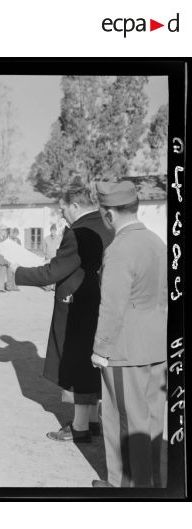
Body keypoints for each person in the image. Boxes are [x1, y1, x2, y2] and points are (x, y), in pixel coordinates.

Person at [12, 177, 114, 443]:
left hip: (78, 305)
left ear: (76, 205)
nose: (62, 214)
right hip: (99, 301)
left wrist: (18, 272)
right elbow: (79, 266)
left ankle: (79, 427)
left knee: (78, 363)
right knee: (92, 363)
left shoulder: (78, 231)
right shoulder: (106, 225)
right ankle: (92, 421)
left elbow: (55, 269)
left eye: (63, 209)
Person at [91, 180, 167, 488]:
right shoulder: (156, 241)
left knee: (124, 420)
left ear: (109, 214)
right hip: (156, 344)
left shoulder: (120, 248)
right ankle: (150, 483)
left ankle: (126, 488)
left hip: (126, 348)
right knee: (150, 421)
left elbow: (112, 307)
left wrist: (100, 349)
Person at [42, 224, 62, 291]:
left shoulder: (58, 238)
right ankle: (48, 287)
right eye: (52, 230)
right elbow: (44, 249)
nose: (53, 232)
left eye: (54, 230)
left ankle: (54, 287)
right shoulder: (46, 238)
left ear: (56, 231)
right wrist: (46, 255)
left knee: (55, 273)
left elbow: (62, 244)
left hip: (55, 258)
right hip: (48, 258)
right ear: (50, 230)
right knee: (48, 272)